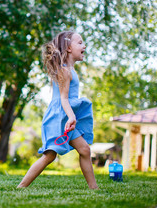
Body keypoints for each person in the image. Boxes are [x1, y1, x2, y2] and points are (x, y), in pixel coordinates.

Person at [17, 31, 99, 189]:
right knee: (49, 156)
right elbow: (63, 98)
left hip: (66, 117)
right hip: (59, 118)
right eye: (80, 43)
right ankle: (22, 186)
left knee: (84, 149)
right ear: (68, 48)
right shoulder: (64, 71)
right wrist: (71, 116)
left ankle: (94, 188)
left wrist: (71, 117)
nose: (84, 46)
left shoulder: (69, 69)